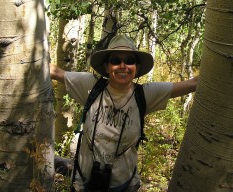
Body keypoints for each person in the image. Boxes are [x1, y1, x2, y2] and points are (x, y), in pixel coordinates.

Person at [50, 34, 198, 192]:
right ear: (107, 67)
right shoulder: (90, 86)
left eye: (129, 61)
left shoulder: (145, 95)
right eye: (115, 60)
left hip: (124, 186)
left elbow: (193, 83)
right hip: (83, 184)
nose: (122, 66)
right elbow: (56, 72)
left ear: (137, 67)